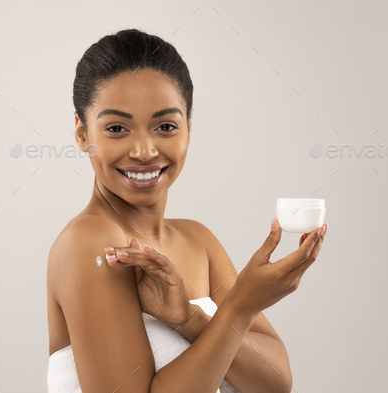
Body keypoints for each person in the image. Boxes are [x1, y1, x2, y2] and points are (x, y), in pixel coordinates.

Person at [46, 28, 328, 393]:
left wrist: (191, 320)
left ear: (188, 131)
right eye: (117, 128)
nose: (145, 150)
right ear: (83, 134)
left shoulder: (198, 241)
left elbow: (274, 384)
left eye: (165, 126)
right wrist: (239, 308)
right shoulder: (91, 243)